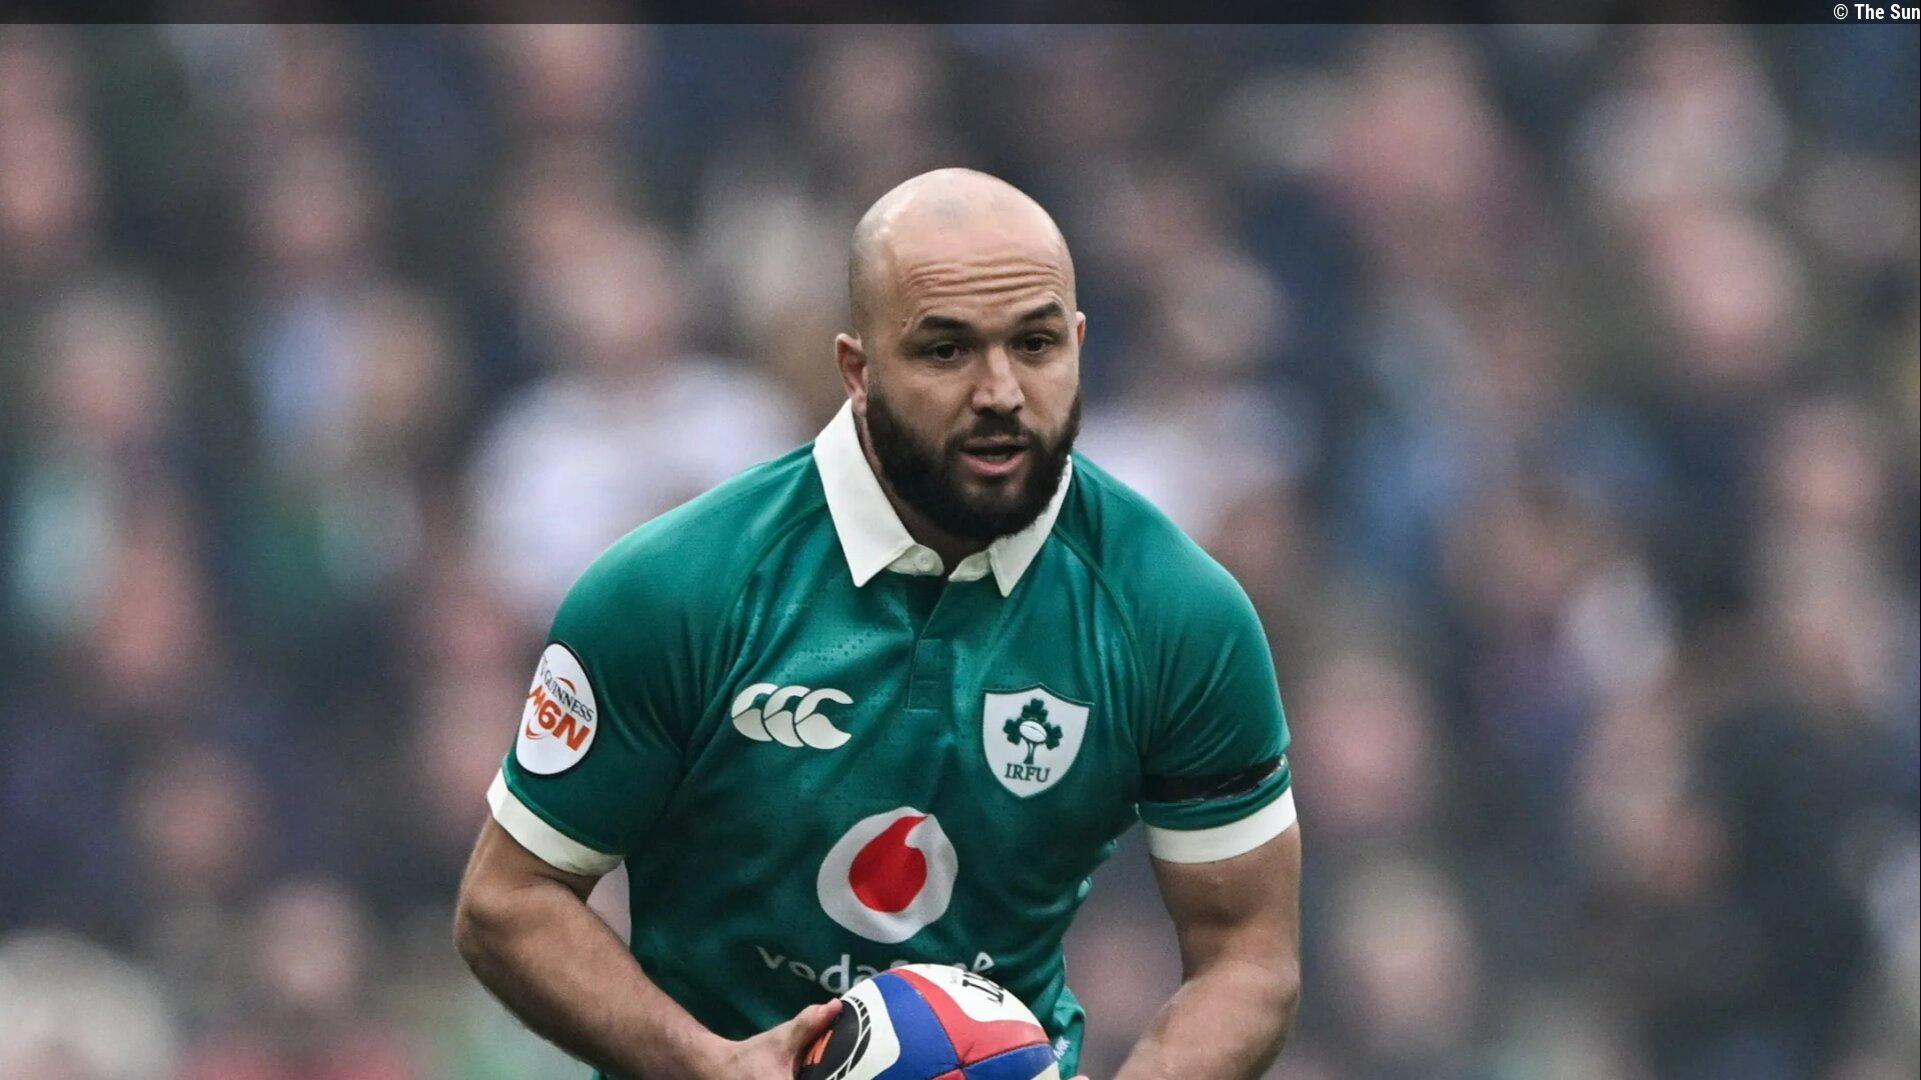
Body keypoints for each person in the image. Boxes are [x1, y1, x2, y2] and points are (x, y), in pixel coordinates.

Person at [453, 168, 1302, 1080]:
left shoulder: (1177, 614)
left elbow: (1246, 956)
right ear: (858, 372)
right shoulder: (674, 592)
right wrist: (707, 1064)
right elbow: (509, 902)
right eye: (946, 350)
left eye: (1036, 343)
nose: (1001, 390)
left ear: (1079, 344)